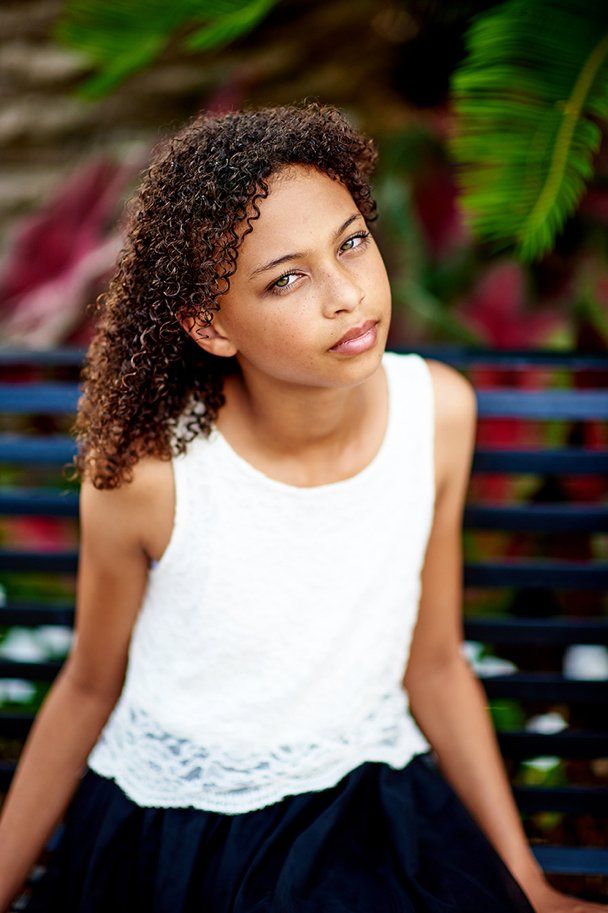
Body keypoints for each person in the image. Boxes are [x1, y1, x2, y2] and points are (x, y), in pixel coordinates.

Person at [0, 100, 601, 913]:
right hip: (191, 831)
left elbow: (433, 662)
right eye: (287, 278)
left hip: (372, 807)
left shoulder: (439, 414)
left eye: (351, 242)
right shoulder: (152, 476)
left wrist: (527, 883)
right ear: (211, 325)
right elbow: (86, 687)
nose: (347, 294)